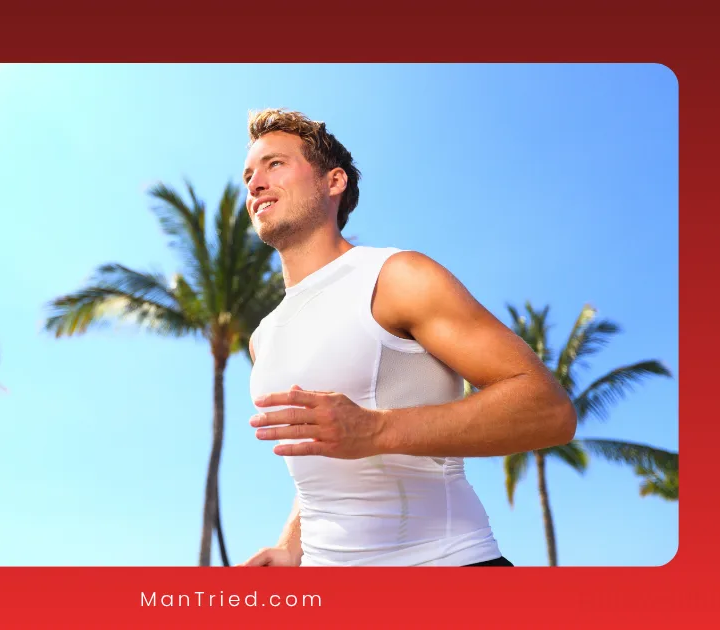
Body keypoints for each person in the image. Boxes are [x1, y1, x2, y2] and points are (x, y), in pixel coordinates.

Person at [238, 109, 577, 567]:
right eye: (248, 174)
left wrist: (377, 429)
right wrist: (290, 548)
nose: (255, 183)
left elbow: (548, 410)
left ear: (332, 181)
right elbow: (323, 457)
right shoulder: (264, 336)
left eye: (274, 164)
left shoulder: (395, 276)